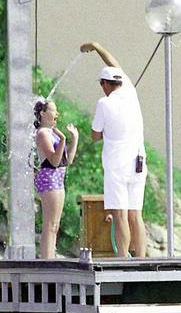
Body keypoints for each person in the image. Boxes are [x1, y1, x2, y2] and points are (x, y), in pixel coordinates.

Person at [81, 41, 147, 258]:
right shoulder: (130, 90)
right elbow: (114, 63)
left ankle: (123, 259)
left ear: (104, 84)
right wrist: (97, 47)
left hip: (117, 165)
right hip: (138, 162)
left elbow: (94, 135)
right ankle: (142, 259)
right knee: (136, 215)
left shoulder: (104, 103)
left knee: (120, 214)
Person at [33, 100, 79, 259]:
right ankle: (47, 261)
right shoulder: (42, 133)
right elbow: (53, 160)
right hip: (48, 179)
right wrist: (63, 140)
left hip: (58, 180)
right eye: (53, 110)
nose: (57, 114)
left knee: (55, 225)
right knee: (49, 224)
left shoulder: (53, 133)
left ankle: (50, 258)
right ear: (42, 114)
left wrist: (74, 139)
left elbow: (68, 160)